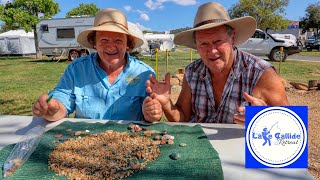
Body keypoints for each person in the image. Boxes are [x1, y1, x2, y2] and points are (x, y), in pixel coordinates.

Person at [145, 2, 289, 125]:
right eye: (203, 44)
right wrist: (166, 103)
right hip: (198, 152)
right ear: (196, 46)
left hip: (238, 154)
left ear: (232, 37)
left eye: (218, 41)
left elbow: (292, 126)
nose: (212, 51)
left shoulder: (261, 73)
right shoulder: (192, 72)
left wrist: (264, 119)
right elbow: (182, 119)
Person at [32, 8, 162, 122]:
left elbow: (151, 114)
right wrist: (53, 110)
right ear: (94, 42)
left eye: (118, 40)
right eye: (104, 40)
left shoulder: (144, 73)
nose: (111, 46)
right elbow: (62, 104)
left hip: (129, 143)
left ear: (128, 44)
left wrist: (151, 114)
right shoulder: (76, 69)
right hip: (85, 142)